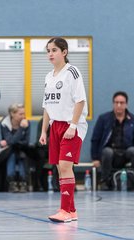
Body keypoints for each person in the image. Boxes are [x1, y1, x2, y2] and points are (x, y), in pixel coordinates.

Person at [39, 37, 88, 223]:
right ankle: (72, 210)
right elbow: (47, 107)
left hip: (71, 124)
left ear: (64, 52)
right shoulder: (48, 76)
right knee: (60, 168)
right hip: (56, 126)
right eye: (48, 50)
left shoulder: (72, 72)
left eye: (54, 50)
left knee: (66, 166)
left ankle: (64, 211)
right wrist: (44, 131)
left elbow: (80, 100)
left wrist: (73, 125)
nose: (50, 54)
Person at [91, 91, 134, 191]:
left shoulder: (133, 119)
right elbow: (95, 139)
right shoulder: (104, 118)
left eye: (122, 103)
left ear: (126, 104)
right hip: (110, 151)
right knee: (107, 151)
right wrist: (95, 158)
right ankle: (105, 181)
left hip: (126, 152)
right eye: (116, 102)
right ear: (113, 104)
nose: (119, 105)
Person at [0, 103, 30, 193]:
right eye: (20, 114)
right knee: (12, 155)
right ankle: (12, 183)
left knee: (22, 155)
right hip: (8, 151)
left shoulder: (27, 123)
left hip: (23, 149)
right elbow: (11, 141)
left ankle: (23, 183)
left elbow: (26, 142)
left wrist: (10, 141)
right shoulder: (4, 123)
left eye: (24, 114)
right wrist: (21, 128)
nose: (23, 116)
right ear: (12, 114)